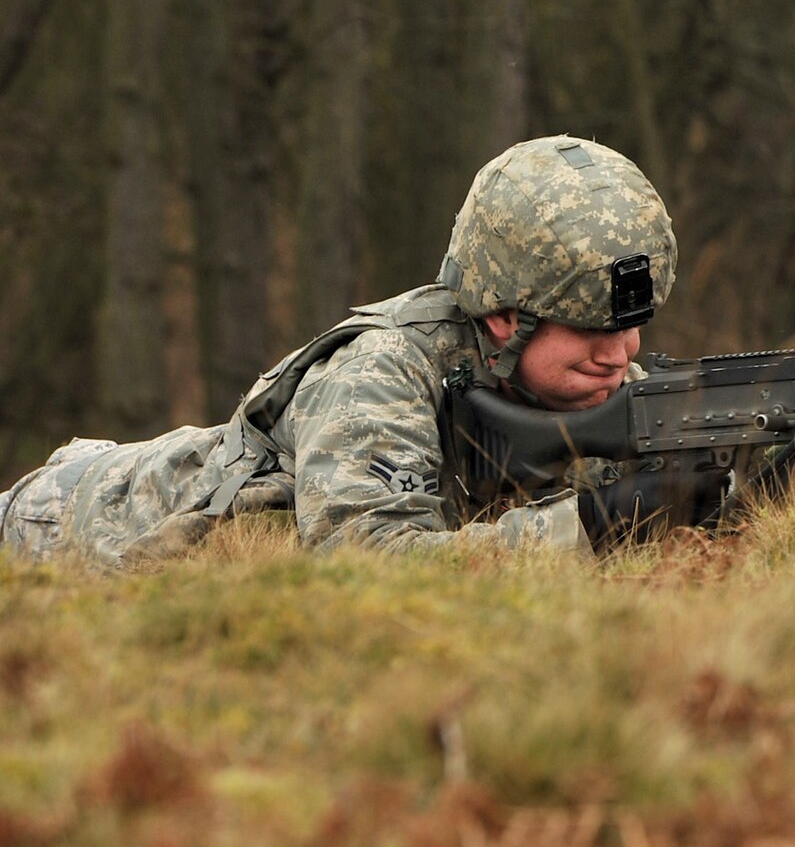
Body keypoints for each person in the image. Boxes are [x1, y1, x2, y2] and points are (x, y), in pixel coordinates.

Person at [0, 136, 685, 567]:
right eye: (591, 327)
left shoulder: (600, 384)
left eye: (634, 325)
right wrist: (599, 525)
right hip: (65, 525)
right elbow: (367, 567)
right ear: (507, 317)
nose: (621, 352)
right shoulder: (378, 372)